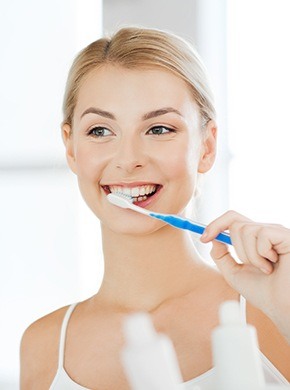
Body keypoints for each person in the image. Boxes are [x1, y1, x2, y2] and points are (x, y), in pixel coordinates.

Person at [20, 27, 290, 389]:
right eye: (100, 131)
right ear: (70, 147)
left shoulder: (270, 310)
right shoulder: (44, 346)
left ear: (206, 147)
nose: (128, 159)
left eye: (159, 128)